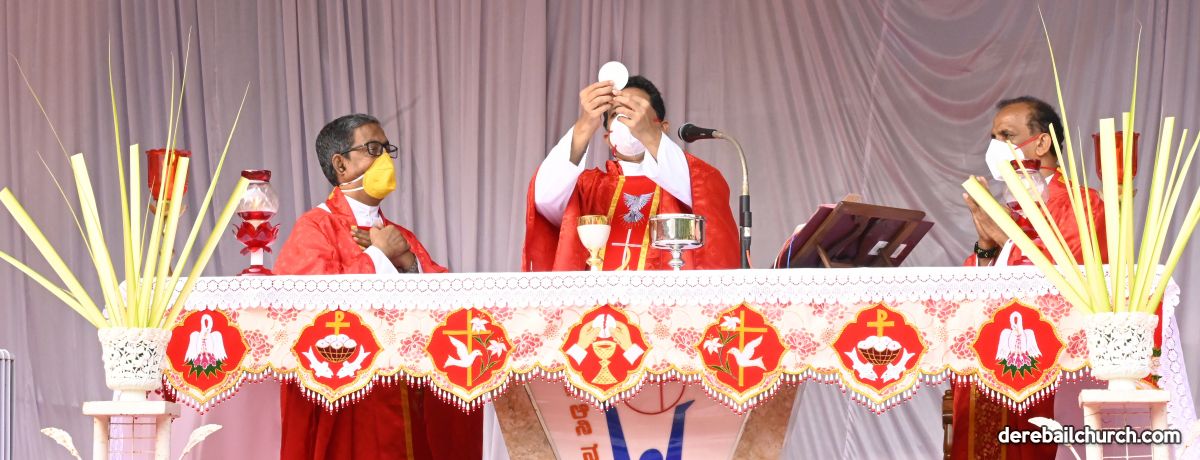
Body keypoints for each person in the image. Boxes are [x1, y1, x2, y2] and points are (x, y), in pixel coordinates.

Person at [274, 114, 481, 460]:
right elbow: (307, 308)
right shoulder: (316, 227)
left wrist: (408, 262)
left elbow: (446, 300)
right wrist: (379, 256)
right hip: (349, 400)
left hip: (404, 391)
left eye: (387, 149)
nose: (384, 158)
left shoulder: (399, 235)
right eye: (372, 148)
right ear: (340, 164)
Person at [955, 97, 1107, 459]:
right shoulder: (1009, 204)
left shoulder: (1081, 203)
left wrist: (1004, 236)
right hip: (991, 346)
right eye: (993, 137)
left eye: (1007, 135)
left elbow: (1062, 274)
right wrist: (986, 245)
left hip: (1051, 352)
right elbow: (974, 285)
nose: (996, 147)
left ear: (1042, 143)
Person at [523, 75, 739, 271]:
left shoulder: (684, 181)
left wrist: (651, 137)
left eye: (635, 110)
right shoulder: (588, 188)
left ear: (662, 128)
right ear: (608, 137)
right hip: (597, 301)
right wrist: (584, 126)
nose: (626, 119)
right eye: (616, 114)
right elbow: (543, 200)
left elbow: (708, 194)